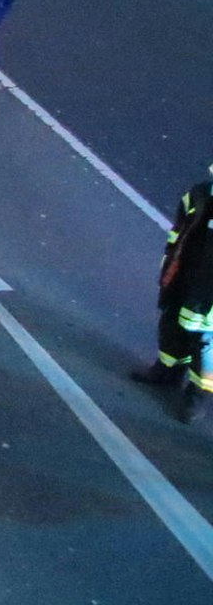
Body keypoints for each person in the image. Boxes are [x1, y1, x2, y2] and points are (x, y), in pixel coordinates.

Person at [132, 162, 213, 423]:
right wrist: (170, 266)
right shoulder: (200, 194)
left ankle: (197, 395)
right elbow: (179, 232)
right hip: (185, 277)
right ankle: (167, 370)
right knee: (172, 322)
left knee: (206, 342)